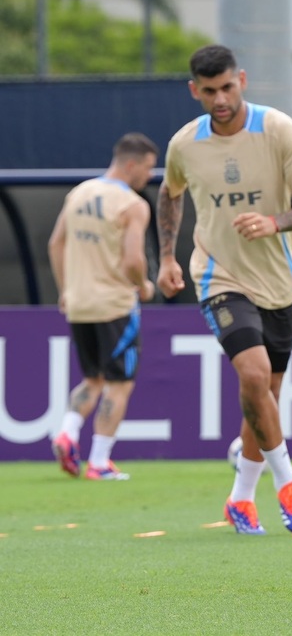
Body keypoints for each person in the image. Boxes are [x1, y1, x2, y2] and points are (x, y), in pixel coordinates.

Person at [156, 44, 292, 536]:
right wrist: (167, 257)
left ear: (243, 81)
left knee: (264, 397)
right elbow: (169, 195)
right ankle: (289, 482)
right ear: (195, 91)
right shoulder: (184, 144)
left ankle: (239, 499)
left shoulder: (277, 130)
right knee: (253, 376)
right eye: (209, 91)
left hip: (278, 281)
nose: (220, 99)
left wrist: (276, 222)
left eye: (227, 87)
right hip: (218, 276)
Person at [48, 133, 159, 480]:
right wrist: (142, 285)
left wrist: (66, 289)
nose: (148, 176)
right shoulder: (133, 205)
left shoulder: (79, 192)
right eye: (147, 168)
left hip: (79, 302)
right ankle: (98, 462)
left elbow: (56, 243)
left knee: (92, 379)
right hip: (114, 305)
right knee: (119, 384)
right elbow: (132, 259)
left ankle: (66, 432)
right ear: (131, 164)